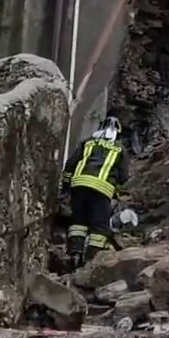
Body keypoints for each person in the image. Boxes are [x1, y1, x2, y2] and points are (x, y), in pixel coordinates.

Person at [64, 116, 128, 270]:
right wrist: (115, 187)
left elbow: (70, 164)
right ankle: (90, 261)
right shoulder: (120, 149)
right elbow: (123, 175)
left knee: (78, 221)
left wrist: (65, 187)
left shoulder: (87, 142)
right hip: (102, 189)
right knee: (99, 227)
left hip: (79, 185)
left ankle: (74, 254)